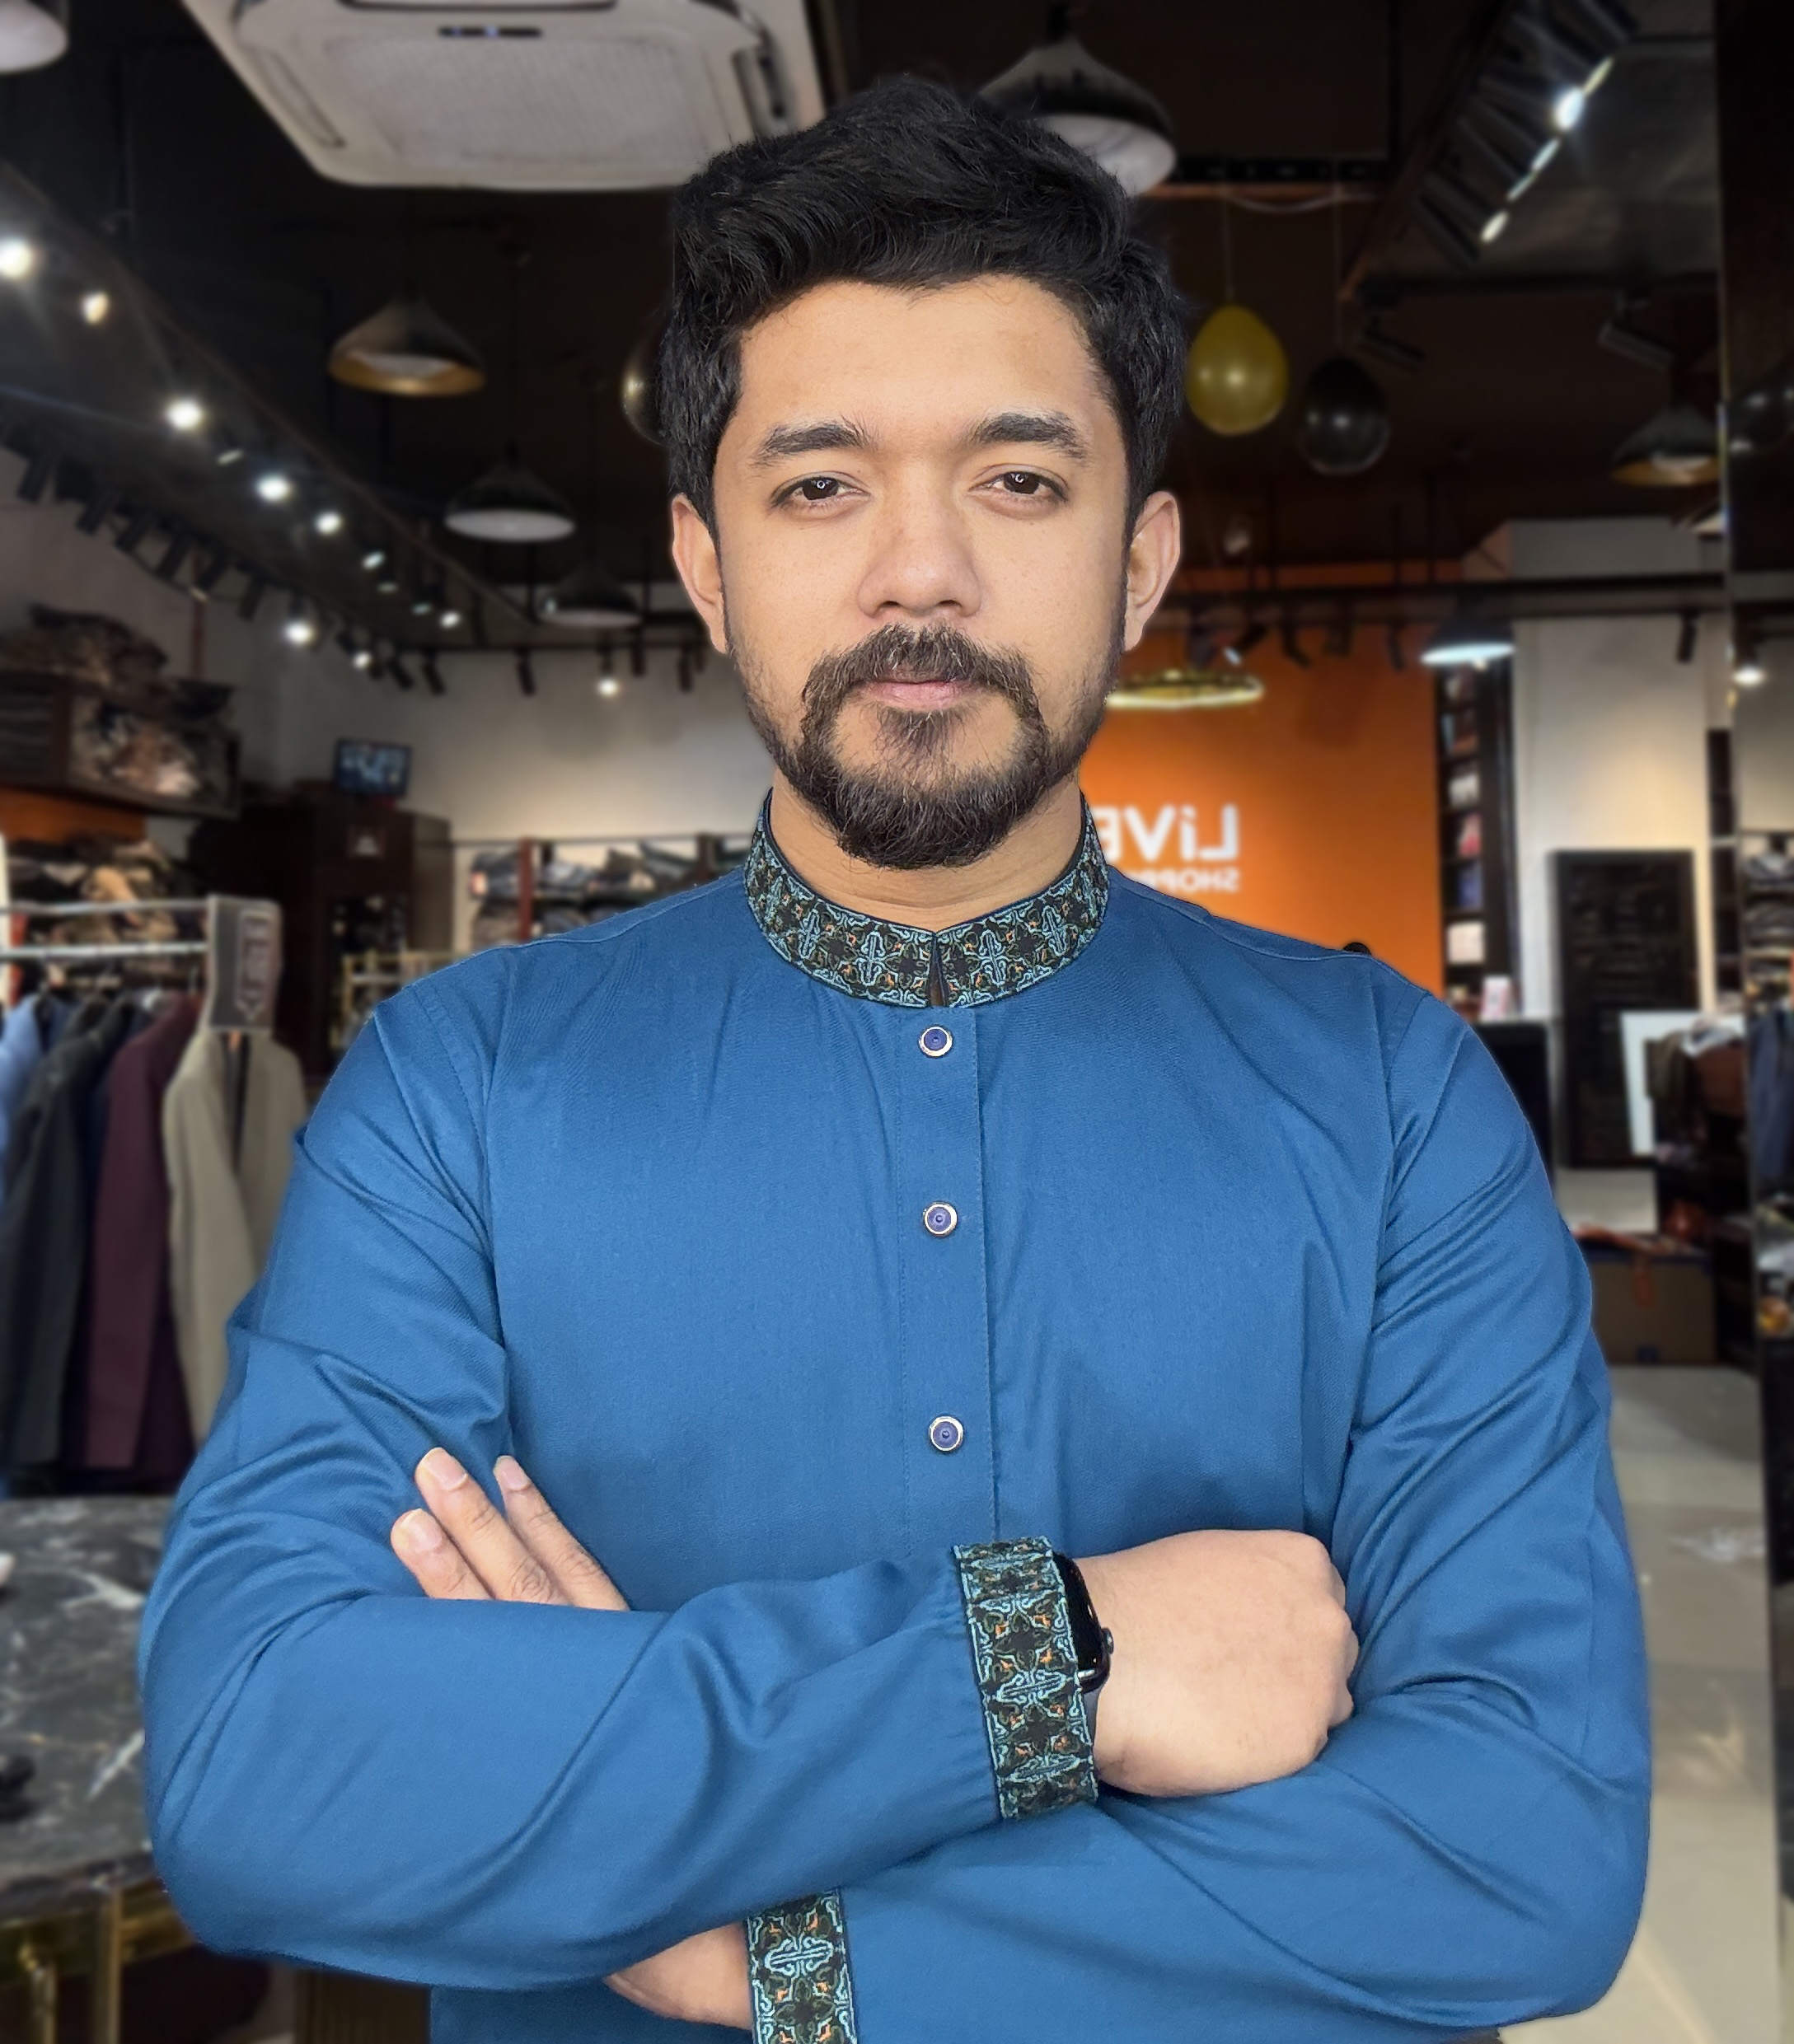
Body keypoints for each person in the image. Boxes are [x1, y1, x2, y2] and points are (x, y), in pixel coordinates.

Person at [140, 78, 1649, 2044]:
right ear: (705, 563)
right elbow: (261, 1764)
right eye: (819, 486)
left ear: (1140, 559)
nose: (917, 572)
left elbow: (1522, 1846)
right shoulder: (461, 1093)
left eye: (1018, 480)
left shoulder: (1392, 1097)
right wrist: (1058, 1655)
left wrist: (756, 1928)